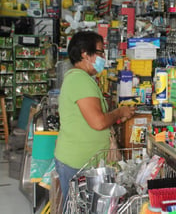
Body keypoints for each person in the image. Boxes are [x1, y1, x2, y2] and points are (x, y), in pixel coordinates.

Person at [54, 31, 136, 207]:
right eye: (100, 52)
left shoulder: (83, 78)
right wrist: (119, 113)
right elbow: (98, 122)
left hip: (81, 161)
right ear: (85, 53)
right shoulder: (79, 80)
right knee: (78, 208)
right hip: (77, 163)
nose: (103, 57)